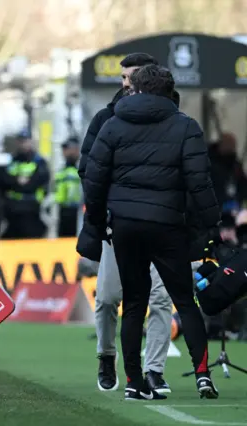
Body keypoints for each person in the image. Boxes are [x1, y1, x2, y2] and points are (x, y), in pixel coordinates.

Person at [84, 64, 220, 400]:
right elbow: (199, 180)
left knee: (133, 304)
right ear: (169, 91)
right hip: (168, 225)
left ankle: (133, 382)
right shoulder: (185, 126)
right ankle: (202, 375)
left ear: (137, 89)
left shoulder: (113, 125)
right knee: (185, 302)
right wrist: (211, 221)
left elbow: (94, 179)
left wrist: (100, 223)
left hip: (126, 226)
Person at [77, 53, 176, 394]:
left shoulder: (173, 120)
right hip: (117, 225)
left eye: (132, 77)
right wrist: (102, 213)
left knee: (161, 300)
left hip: (162, 225)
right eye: (123, 78)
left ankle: (154, 370)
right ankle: (106, 355)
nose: (126, 84)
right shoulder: (107, 118)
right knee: (106, 299)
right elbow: (87, 168)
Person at [55, 138, 81, 237]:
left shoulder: (81, 170)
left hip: (77, 211)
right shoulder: (62, 171)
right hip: (63, 211)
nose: (65, 152)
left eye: (68, 149)